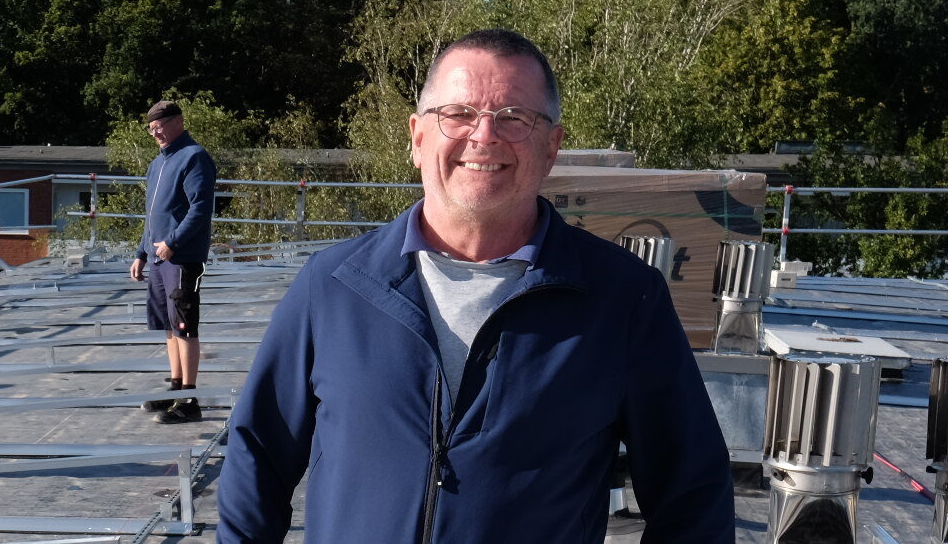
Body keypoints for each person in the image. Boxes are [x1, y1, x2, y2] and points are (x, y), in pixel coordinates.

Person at [217, 29, 734, 542]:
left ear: (551, 147)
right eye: (459, 114)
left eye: (514, 118)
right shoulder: (334, 286)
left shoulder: (621, 298)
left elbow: (692, 494)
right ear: (419, 138)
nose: (483, 136)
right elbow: (258, 457)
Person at [129, 100, 216, 424]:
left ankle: (189, 400)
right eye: (151, 129)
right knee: (168, 326)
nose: (156, 133)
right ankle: (174, 391)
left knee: (184, 327)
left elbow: (200, 208)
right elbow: (152, 216)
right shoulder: (157, 163)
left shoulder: (194, 158)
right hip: (157, 258)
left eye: (160, 126)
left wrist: (173, 242)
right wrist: (141, 253)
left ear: (178, 121)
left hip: (181, 258)